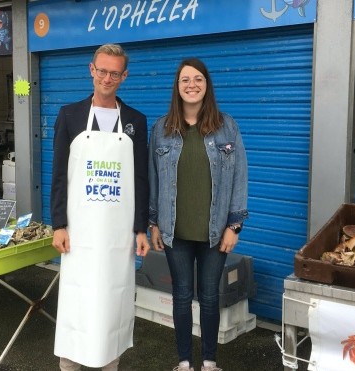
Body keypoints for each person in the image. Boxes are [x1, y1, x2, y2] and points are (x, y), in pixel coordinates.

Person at [50, 43, 151, 371]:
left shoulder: (136, 120)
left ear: (124, 76)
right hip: (79, 233)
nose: (108, 78)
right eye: (102, 70)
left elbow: (140, 180)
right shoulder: (69, 115)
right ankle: (69, 365)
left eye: (115, 73)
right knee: (77, 300)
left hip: (118, 235)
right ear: (91, 70)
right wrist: (59, 224)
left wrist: (140, 229)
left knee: (112, 300)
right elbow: (59, 175)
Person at [148, 58, 248, 371]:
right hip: (175, 231)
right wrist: (153, 223)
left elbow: (240, 176)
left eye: (198, 79)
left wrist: (235, 225)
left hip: (215, 231)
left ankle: (208, 362)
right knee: (180, 296)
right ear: (177, 88)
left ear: (207, 85)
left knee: (208, 297)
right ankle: (183, 362)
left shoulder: (226, 126)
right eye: (185, 80)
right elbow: (153, 179)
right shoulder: (162, 129)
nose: (192, 85)